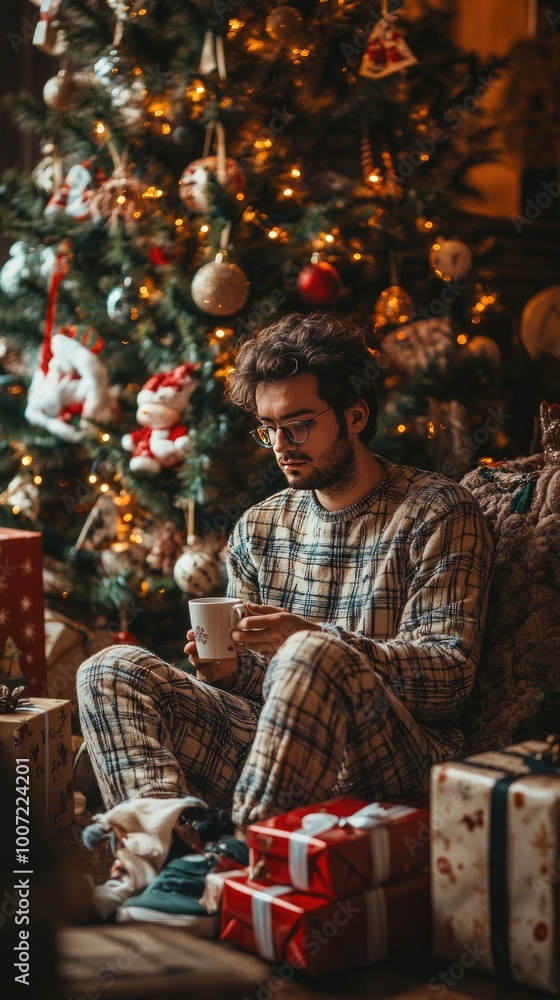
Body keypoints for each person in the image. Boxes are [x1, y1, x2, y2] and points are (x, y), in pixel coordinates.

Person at [77, 312, 493, 920]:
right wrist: (225, 672)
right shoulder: (261, 527)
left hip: (392, 763)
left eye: (299, 425)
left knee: (309, 652)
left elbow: (449, 679)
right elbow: (261, 688)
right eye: (267, 427)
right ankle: (163, 867)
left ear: (355, 416)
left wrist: (312, 641)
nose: (280, 445)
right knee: (109, 668)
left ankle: (237, 867)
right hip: (273, 758)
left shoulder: (438, 512)